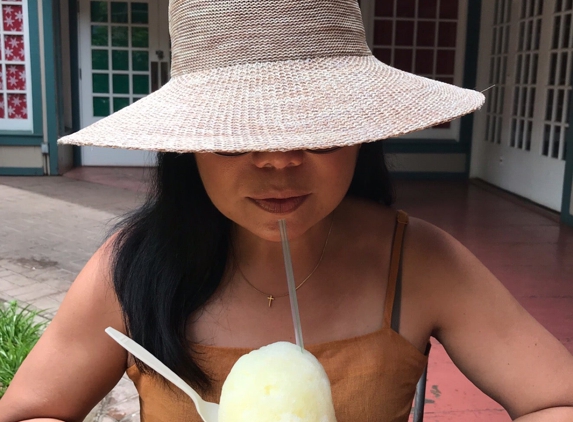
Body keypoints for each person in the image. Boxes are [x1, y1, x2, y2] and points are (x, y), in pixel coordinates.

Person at [1, 0, 573, 421]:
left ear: (360, 131)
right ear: (188, 144)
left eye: (316, 128)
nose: (278, 161)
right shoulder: (132, 268)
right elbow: (30, 411)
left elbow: (556, 398)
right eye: (235, 132)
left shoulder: (419, 261)